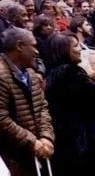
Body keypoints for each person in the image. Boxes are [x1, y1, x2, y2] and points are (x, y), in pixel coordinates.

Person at [45, 33, 95, 176]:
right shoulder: (69, 72)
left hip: (69, 140)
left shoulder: (54, 73)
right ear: (63, 50)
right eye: (75, 45)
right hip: (80, 142)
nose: (80, 49)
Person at [0, 28, 55, 176]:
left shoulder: (30, 73)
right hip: (13, 157)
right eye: (33, 46)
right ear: (19, 46)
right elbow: (1, 119)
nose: (37, 52)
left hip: (37, 153)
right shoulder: (1, 75)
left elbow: (42, 106)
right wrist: (32, 142)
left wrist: (46, 136)